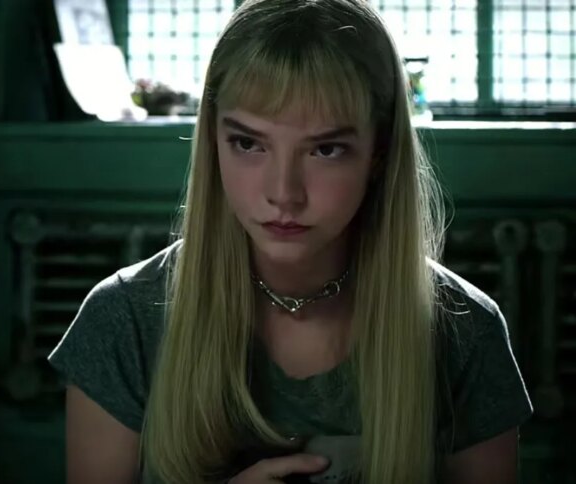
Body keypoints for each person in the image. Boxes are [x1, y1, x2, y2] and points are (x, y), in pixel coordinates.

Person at [48, 0, 533, 482]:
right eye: (248, 143)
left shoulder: (465, 331)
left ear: (379, 154)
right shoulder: (124, 319)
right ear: (213, 141)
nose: (284, 193)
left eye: (325, 149)